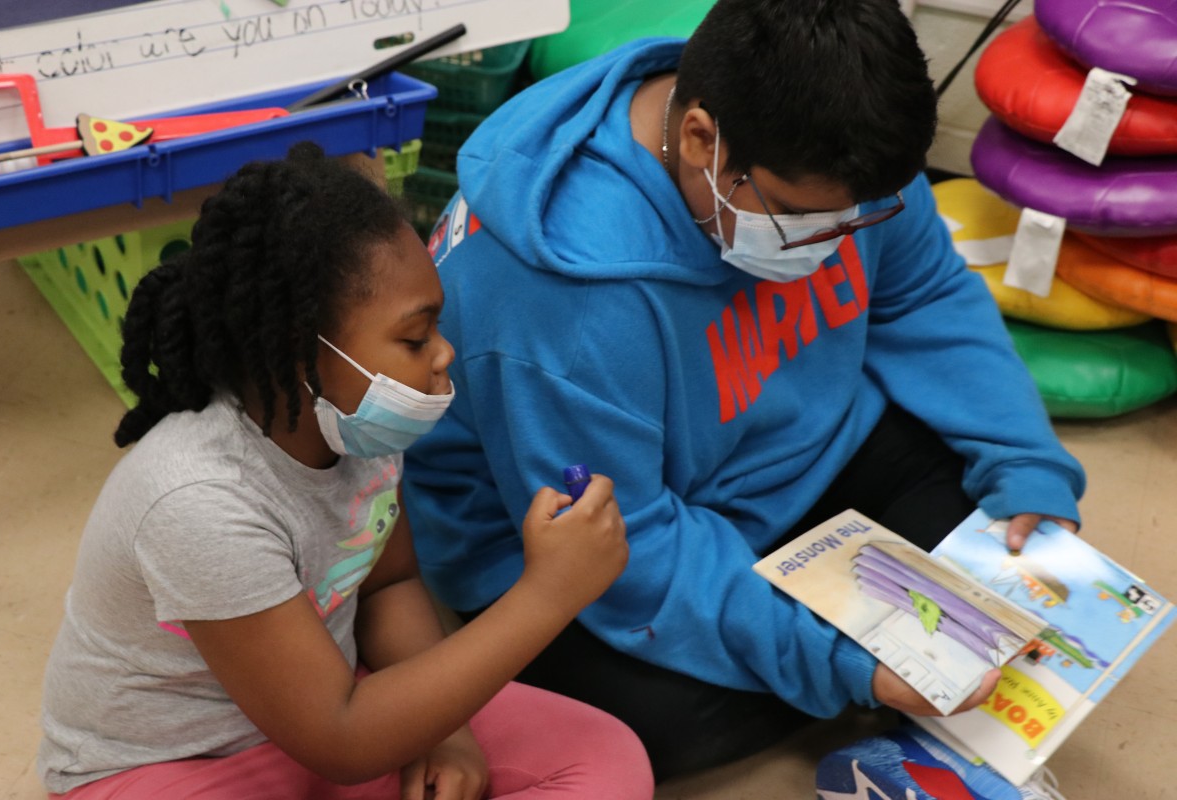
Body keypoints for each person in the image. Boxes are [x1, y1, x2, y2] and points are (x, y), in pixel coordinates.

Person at [402, 0, 1086, 783]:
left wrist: (1023, 458)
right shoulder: (563, 291)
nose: (835, 244)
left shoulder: (844, 147)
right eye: (801, 218)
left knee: (1005, 538)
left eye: (859, 218)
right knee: (658, 730)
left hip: (785, 451)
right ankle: (835, 651)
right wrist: (843, 663)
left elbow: (923, 295)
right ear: (699, 138)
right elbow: (632, 544)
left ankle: (824, 640)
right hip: (582, 540)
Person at [36, 143, 654, 800]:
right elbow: (341, 739)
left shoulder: (359, 420)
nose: (443, 354)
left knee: (607, 758)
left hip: (326, 708)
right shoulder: (198, 502)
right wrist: (549, 593)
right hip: (173, 765)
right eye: (415, 339)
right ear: (303, 353)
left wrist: (446, 734)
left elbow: (388, 585)